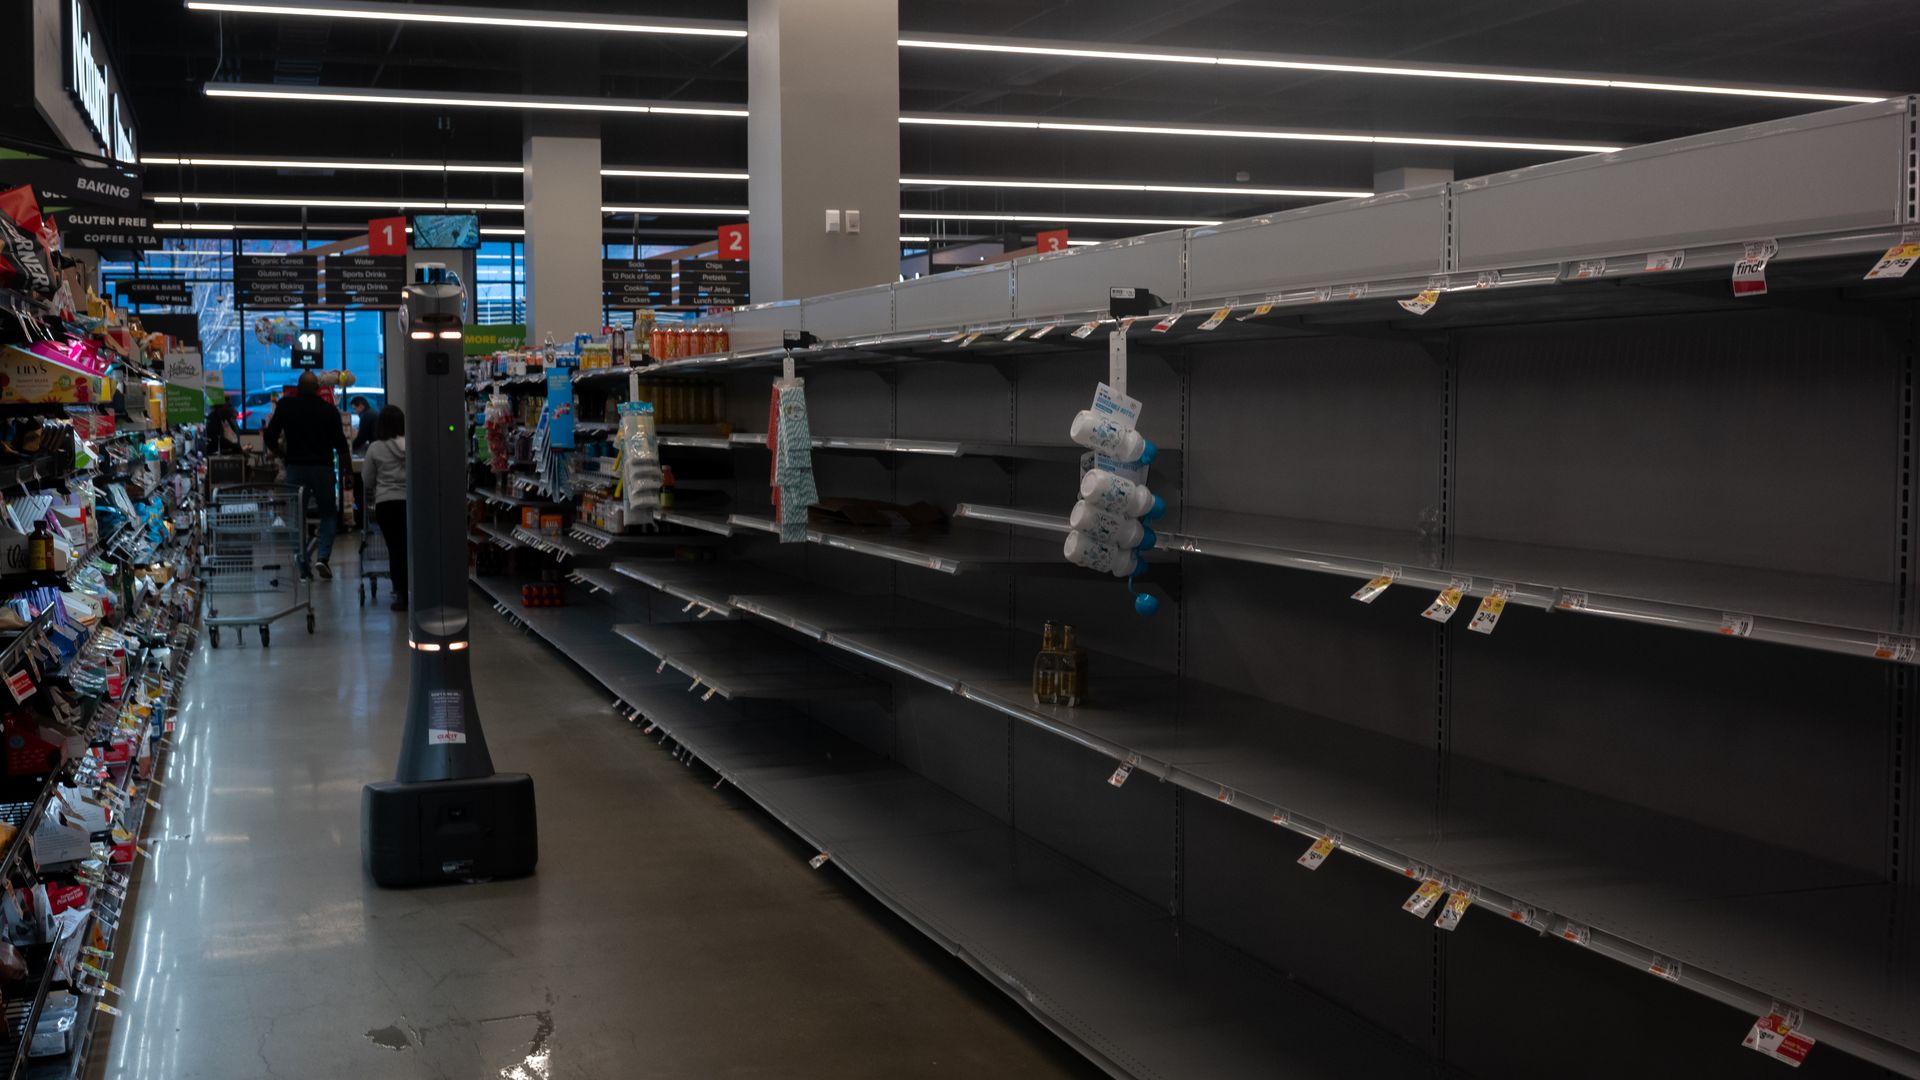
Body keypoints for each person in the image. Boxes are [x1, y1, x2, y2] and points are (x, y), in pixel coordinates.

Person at [264, 371, 351, 580]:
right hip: (323, 468)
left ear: (298, 387)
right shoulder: (329, 410)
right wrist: (347, 472)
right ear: (317, 388)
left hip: (295, 468)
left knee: (296, 517)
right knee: (328, 514)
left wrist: (281, 454)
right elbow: (341, 445)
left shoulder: (285, 406)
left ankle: (302, 563)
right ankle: (322, 557)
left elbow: (269, 436)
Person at [360, 405, 408, 611]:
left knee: (395, 550)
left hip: (386, 504)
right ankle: (420, 588)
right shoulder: (412, 444)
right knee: (412, 548)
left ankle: (401, 594)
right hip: (411, 503)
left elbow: (367, 480)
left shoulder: (375, 448)